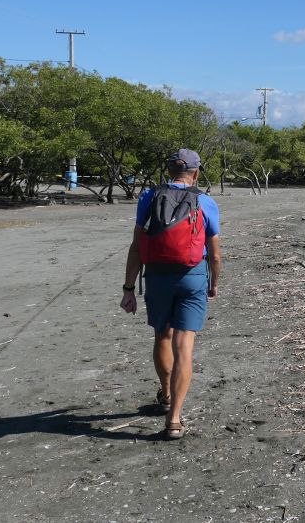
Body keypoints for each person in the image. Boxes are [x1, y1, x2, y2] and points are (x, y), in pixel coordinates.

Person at [120, 148, 221, 440]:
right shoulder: (206, 201)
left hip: (157, 277)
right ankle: (174, 419)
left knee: (162, 335)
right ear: (196, 173)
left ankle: (165, 394)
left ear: (169, 171)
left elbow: (137, 246)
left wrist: (129, 289)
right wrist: (213, 283)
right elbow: (214, 254)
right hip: (193, 276)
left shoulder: (149, 197)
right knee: (184, 345)